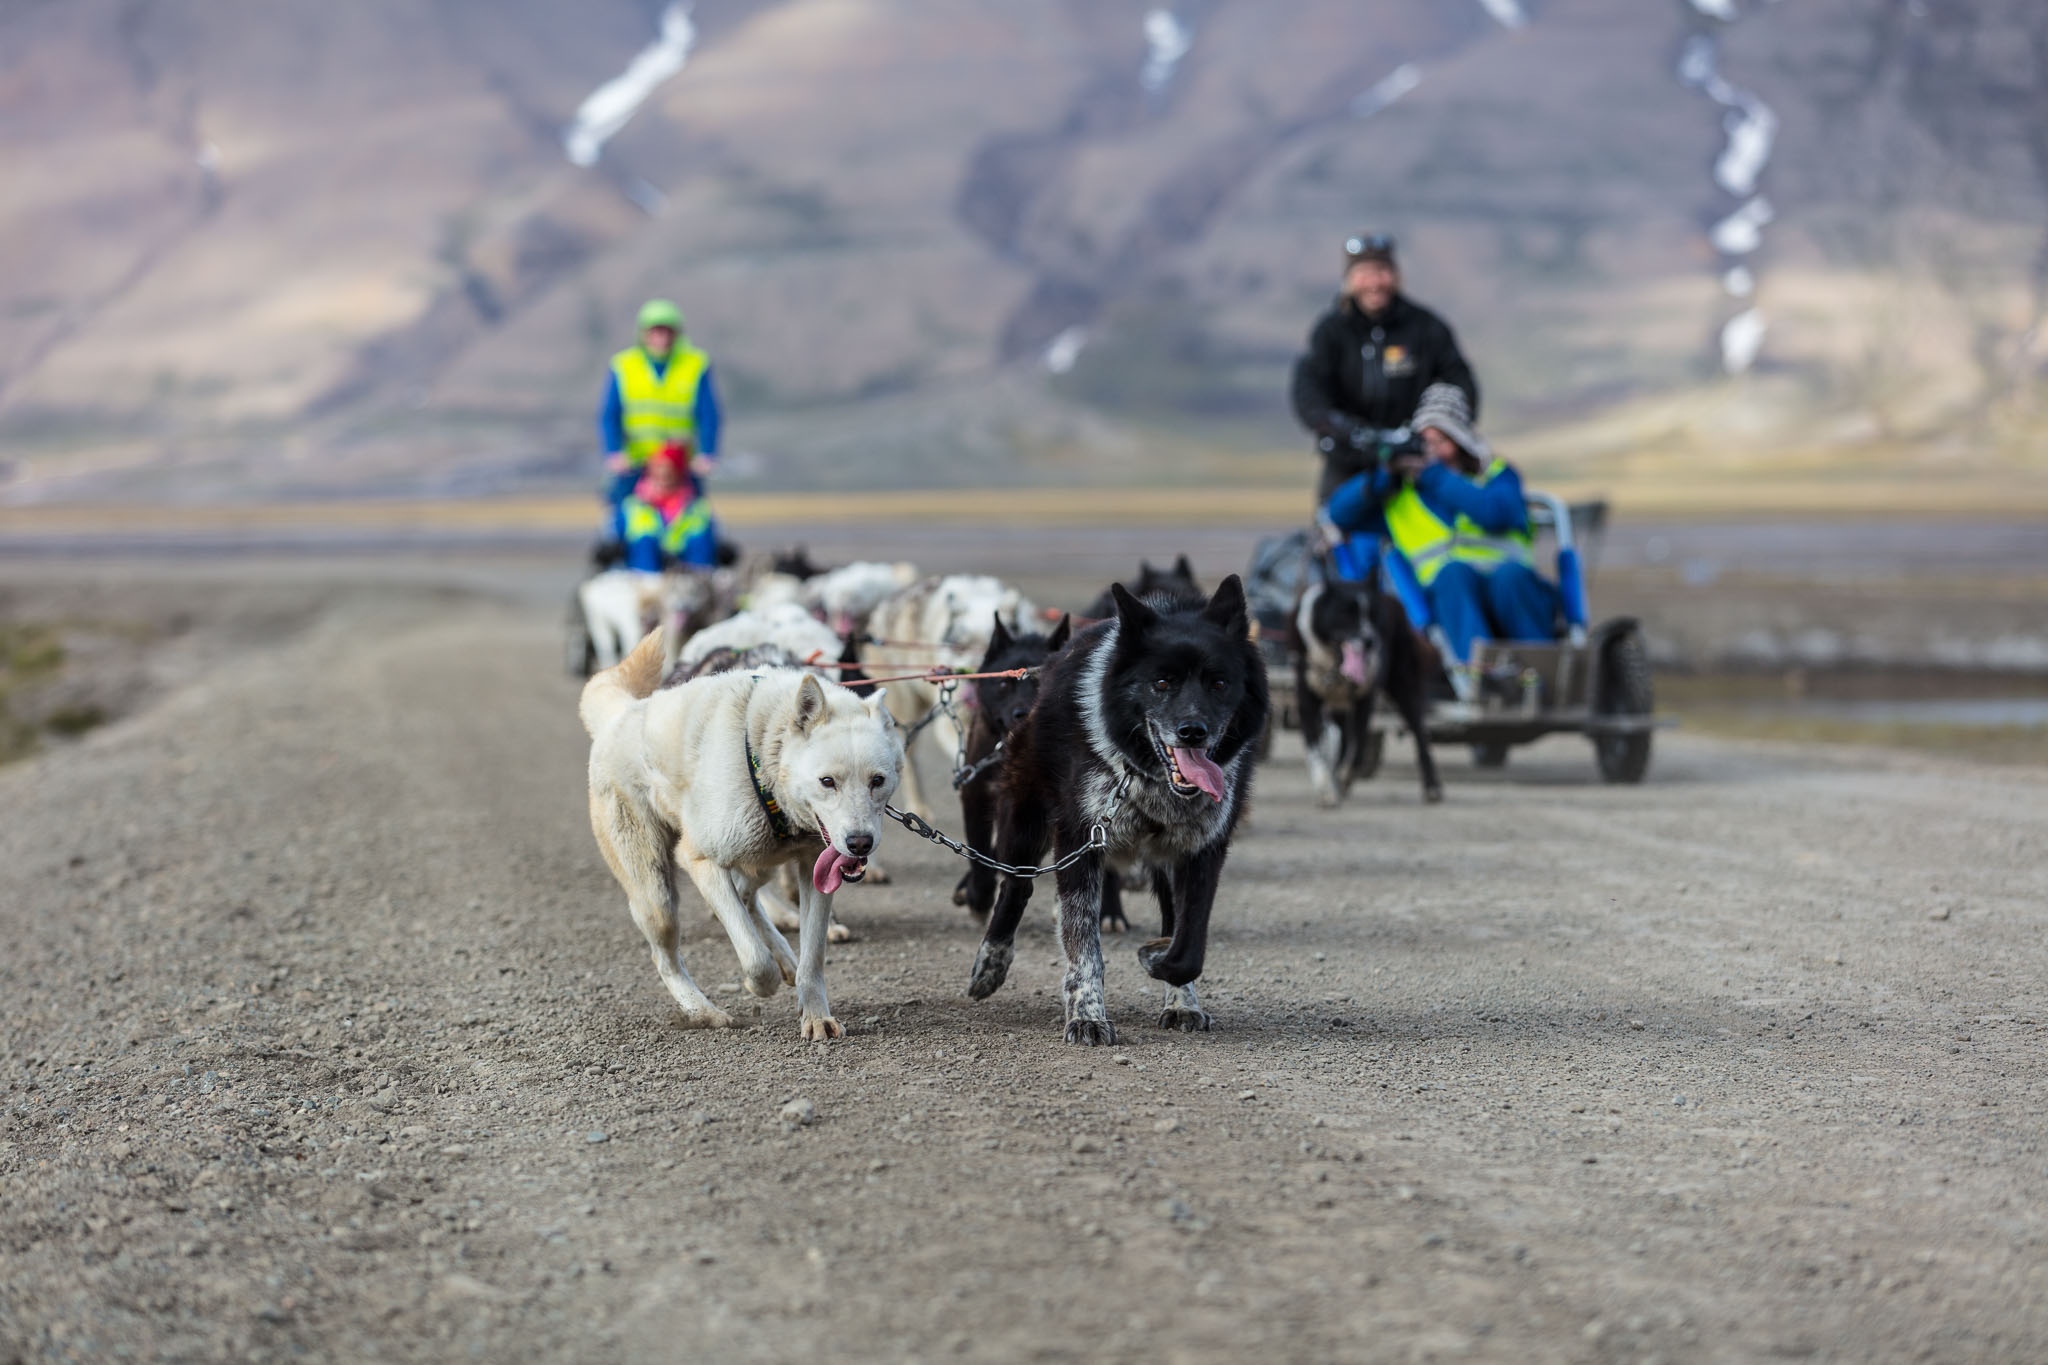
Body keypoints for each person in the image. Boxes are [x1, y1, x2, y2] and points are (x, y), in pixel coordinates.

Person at [1325, 383, 1557, 667]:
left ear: (1462, 442)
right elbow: (1339, 513)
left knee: (1510, 577)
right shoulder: (1402, 498)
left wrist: (1434, 475)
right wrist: (1384, 475)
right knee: (1453, 574)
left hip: (1513, 589)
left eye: (1442, 440)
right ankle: (1480, 674)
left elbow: (1496, 512)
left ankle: (1544, 668)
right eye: (1425, 441)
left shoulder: (1496, 475)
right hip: (1449, 600)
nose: (1431, 450)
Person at [1290, 234, 1479, 503]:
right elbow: (1309, 393)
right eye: (1364, 273)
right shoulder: (1330, 332)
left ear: (1396, 275)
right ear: (1349, 279)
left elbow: (1460, 381)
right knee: (1333, 524)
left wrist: (1437, 432)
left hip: (1416, 463)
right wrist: (1342, 429)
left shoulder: (1425, 326)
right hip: (1348, 463)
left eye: (1382, 271)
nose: (1374, 283)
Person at [598, 298, 721, 515]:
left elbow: (708, 414)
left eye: (667, 332)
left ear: (677, 334)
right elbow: (610, 414)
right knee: (621, 512)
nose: (661, 338)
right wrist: (614, 452)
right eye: (655, 332)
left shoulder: (695, 364)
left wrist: (707, 453)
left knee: (696, 512)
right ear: (643, 334)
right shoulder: (624, 365)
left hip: (680, 460)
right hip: (637, 459)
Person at [616, 444, 717, 571]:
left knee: (699, 541)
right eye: (657, 469)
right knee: (645, 543)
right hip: (642, 576)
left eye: (669, 471)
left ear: (678, 473)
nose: (663, 475)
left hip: (688, 575)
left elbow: (709, 541)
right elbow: (615, 539)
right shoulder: (632, 505)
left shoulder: (697, 507)